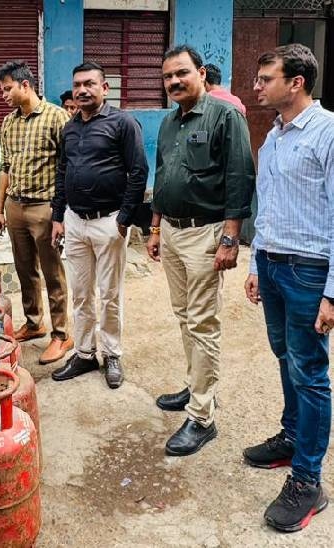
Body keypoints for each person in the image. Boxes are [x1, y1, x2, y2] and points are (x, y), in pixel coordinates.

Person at [146, 45, 255, 456]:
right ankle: (196, 387)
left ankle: (202, 417)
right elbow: (163, 176)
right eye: (167, 77)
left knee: (203, 322)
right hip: (172, 232)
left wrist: (230, 237)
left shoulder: (225, 116)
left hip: (206, 234)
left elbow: (240, 176)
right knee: (184, 316)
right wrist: (155, 228)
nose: (174, 81)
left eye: (181, 73)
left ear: (202, 73)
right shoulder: (170, 121)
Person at [243, 43, 334, 532]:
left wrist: (332, 292)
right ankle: (292, 436)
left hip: (309, 272)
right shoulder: (273, 137)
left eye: (266, 78)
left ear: (296, 82)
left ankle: (308, 480)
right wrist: (256, 263)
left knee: (310, 372)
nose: (256, 86)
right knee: (285, 357)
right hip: (274, 266)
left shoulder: (328, 132)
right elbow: (269, 208)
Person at [50, 62, 148, 388]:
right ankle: (84, 353)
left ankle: (112, 354)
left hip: (109, 223)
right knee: (80, 294)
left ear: (105, 88)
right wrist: (58, 216)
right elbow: (62, 172)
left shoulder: (123, 123)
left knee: (109, 294)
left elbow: (139, 171)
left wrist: (124, 219)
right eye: (77, 84)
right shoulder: (70, 127)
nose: (82, 90)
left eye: (89, 84)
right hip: (75, 222)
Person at [0, 60, 73, 364]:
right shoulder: (8, 122)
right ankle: (34, 322)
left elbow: (67, 166)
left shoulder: (57, 117)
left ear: (25, 85)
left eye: (7, 89)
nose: (4, 95)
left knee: (53, 273)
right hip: (15, 206)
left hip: (44, 207)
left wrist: (60, 212)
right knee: (24, 269)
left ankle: (61, 334)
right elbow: (5, 167)